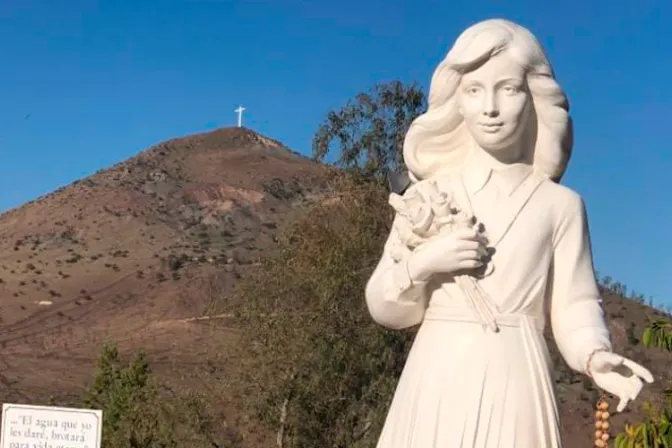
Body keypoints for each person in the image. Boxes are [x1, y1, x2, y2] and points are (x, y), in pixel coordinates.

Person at [365, 18, 653, 447]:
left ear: (534, 98)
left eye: (509, 89)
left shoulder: (560, 206)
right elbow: (385, 306)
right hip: (437, 371)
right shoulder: (427, 195)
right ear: (456, 102)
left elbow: (574, 304)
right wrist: (426, 263)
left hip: (516, 374)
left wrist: (594, 356)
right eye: (475, 90)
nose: (491, 108)